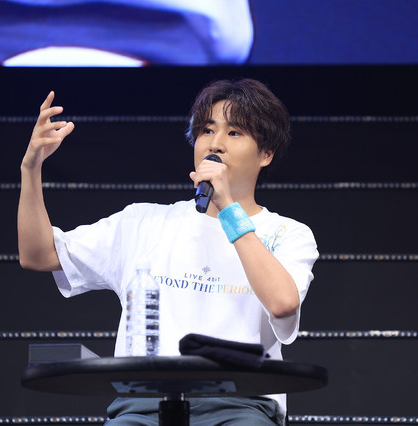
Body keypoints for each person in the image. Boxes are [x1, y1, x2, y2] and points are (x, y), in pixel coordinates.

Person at [18, 79, 318, 425]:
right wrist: (31, 168)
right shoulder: (143, 222)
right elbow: (38, 255)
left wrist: (228, 209)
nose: (215, 143)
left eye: (234, 132)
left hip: (241, 405)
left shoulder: (288, 234)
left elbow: (283, 304)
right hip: (143, 405)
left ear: (266, 154)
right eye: (207, 130)